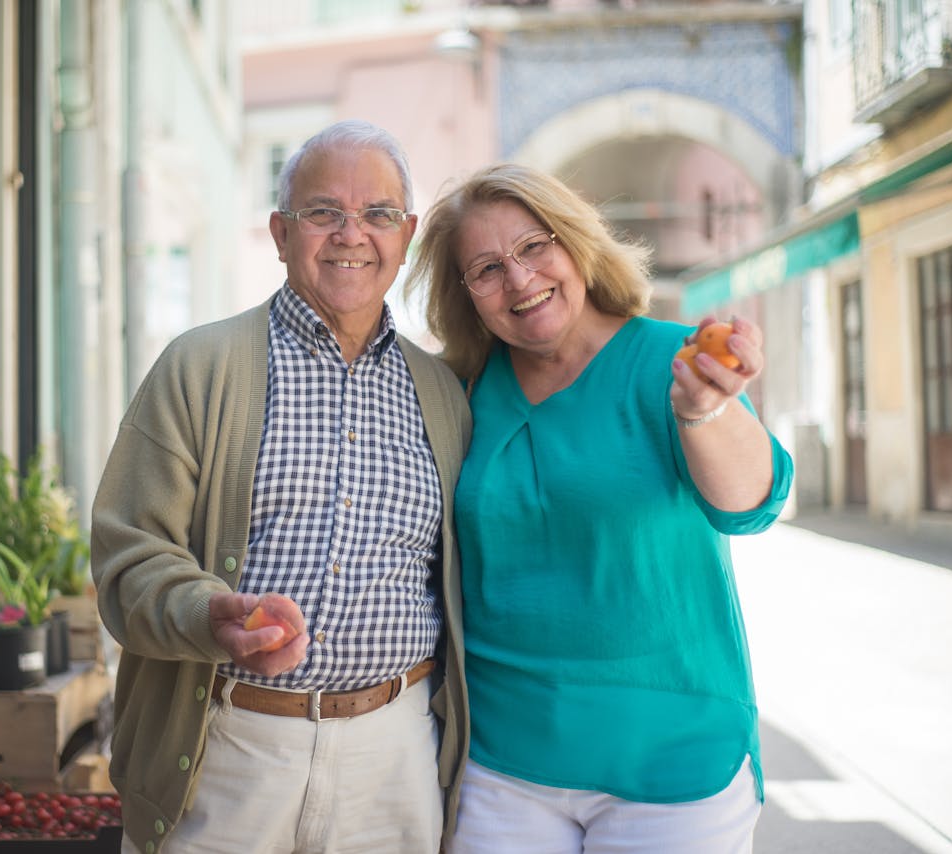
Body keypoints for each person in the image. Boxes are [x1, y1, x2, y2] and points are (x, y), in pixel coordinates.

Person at [91, 120, 472, 854]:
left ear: (408, 234)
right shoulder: (200, 367)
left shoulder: (445, 394)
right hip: (231, 745)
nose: (350, 234)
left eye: (378, 214)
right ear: (280, 232)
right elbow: (126, 556)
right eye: (323, 212)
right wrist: (210, 616)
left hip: (395, 756)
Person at [404, 163, 793, 853]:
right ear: (466, 295)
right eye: (487, 269)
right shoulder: (459, 393)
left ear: (576, 242)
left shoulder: (669, 361)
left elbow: (752, 504)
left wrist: (707, 411)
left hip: (673, 763)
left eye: (533, 246)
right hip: (504, 766)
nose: (520, 280)